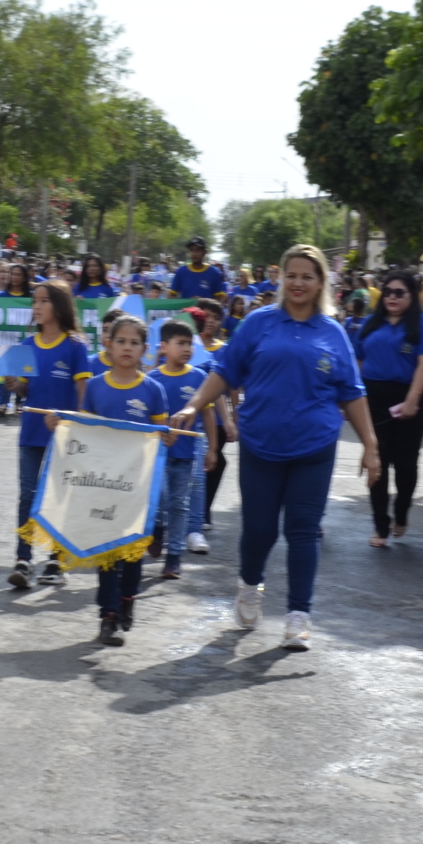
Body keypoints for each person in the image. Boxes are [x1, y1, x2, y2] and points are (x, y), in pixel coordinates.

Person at [168, 244, 379, 649]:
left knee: (302, 532)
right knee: (260, 531)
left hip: (314, 448)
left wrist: (370, 445)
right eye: (292, 275)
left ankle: (299, 614)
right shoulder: (259, 323)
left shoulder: (333, 332)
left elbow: (352, 393)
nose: (299, 283)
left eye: (308, 276)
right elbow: (225, 372)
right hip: (261, 445)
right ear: (282, 278)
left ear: (321, 283)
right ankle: (251, 585)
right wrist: (194, 404)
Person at [78, 314, 172, 646]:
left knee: (131, 550)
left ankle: (128, 601)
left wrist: (168, 436)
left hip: (139, 485)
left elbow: (163, 433)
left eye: (134, 343)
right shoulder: (94, 386)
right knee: (107, 550)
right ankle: (107, 616)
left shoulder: (153, 390)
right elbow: (84, 431)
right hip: (103, 483)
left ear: (145, 350)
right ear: (108, 344)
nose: (127, 348)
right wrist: (58, 426)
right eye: (121, 341)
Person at [7, 282, 92, 591]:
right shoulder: (26, 345)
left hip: (64, 437)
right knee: (27, 496)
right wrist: (15, 384)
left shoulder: (76, 346)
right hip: (30, 433)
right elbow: (26, 391)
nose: (37, 307)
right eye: (34, 302)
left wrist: (74, 422)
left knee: (58, 497)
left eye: (43, 301)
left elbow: (84, 396)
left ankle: (56, 560)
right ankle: (23, 559)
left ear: (59, 306)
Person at [353, 271, 423, 547]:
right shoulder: (369, 323)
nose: (392, 296)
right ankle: (380, 525)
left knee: (405, 464)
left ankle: (401, 514)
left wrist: (413, 399)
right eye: (388, 291)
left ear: (412, 296)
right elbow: (356, 363)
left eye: (400, 292)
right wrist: (352, 399)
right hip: (374, 399)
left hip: (408, 395)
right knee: (376, 459)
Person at [149, 318, 214, 580]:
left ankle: (173, 556)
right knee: (160, 499)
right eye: (181, 343)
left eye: (190, 344)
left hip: (188, 454)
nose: (187, 349)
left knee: (179, 504)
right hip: (158, 455)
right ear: (163, 347)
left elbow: (208, 415)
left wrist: (212, 448)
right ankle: (157, 527)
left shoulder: (199, 377)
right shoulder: (152, 379)